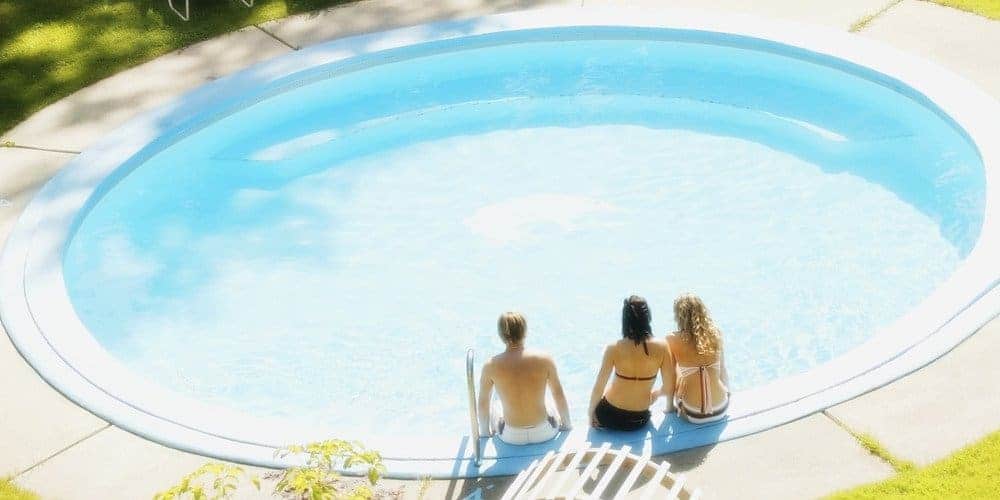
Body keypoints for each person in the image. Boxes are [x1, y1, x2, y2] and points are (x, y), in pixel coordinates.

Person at [478, 311, 572, 445]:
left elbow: (483, 403)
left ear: (501, 335)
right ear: (525, 331)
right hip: (544, 433)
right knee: (548, 398)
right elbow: (559, 395)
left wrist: (485, 434)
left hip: (511, 436)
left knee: (495, 402)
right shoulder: (544, 359)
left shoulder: (490, 365)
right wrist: (567, 425)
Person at [588, 295, 672, 431]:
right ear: (647, 317)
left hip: (607, 417)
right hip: (638, 420)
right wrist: (653, 397)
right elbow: (668, 388)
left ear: (625, 319)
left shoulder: (613, 348)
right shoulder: (662, 347)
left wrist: (591, 414)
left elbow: (599, 387)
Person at [656, 293, 730, 424]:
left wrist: (670, 407)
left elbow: (670, 378)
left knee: (679, 370)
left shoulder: (671, 339)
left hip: (693, 414)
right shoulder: (716, 333)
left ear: (678, 315)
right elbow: (722, 370)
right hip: (721, 408)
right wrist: (727, 393)